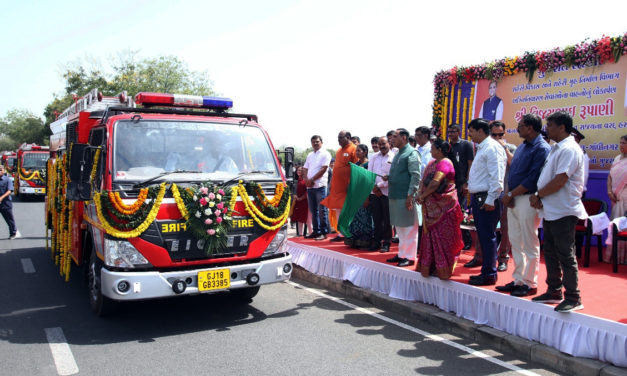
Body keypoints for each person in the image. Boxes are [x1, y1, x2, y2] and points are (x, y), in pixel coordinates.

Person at [529, 111, 587, 313]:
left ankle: (573, 296)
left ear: (562, 127)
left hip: (564, 209)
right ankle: (554, 290)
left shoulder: (570, 148)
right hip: (552, 209)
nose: (547, 129)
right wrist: (541, 197)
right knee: (551, 252)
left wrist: (538, 195)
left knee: (565, 253)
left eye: (550, 125)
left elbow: (560, 180)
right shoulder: (557, 148)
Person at [496, 114, 551, 297]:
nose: (517, 128)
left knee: (529, 242)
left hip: (528, 199)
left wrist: (511, 193)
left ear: (530, 128)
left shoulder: (542, 148)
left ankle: (530, 282)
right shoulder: (521, 147)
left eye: (520, 125)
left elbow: (533, 178)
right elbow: (515, 173)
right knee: (515, 241)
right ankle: (519, 278)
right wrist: (509, 194)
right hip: (513, 199)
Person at [416, 138, 464, 279]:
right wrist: (420, 193)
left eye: (433, 148)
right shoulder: (432, 163)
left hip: (445, 207)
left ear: (440, 150)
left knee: (444, 237)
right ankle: (430, 266)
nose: (430, 150)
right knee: (430, 237)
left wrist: (423, 196)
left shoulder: (445, 163)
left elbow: (435, 183)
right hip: (431, 207)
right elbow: (424, 181)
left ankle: (443, 268)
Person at [467, 118, 506, 286]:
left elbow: (497, 177)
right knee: (483, 236)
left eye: (472, 131)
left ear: (480, 131)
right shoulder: (483, 147)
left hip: (487, 198)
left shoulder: (491, 147)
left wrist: (491, 199)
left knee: (488, 236)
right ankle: (486, 271)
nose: (470, 135)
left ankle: (489, 273)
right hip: (480, 196)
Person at [386, 128, 421, 267]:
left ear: (404, 137)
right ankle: (402, 254)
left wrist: (410, 195)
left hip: (406, 196)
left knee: (409, 228)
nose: (391, 139)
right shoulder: (397, 153)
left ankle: (410, 257)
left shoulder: (412, 153)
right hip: (395, 195)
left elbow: (415, 175)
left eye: (395, 136)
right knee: (399, 227)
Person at [321, 130, 358, 242]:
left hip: (347, 186)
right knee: (338, 209)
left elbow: (356, 168)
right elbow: (336, 169)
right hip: (337, 186)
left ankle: (348, 232)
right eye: (338, 138)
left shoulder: (354, 149)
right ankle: (341, 233)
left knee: (347, 210)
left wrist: (351, 183)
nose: (338, 140)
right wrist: (332, 183)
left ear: (348, 137)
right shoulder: (338, 151)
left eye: (340, 138)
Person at [448, 124, 474, 251]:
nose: (450, 134)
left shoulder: (466, 145)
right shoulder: (447, 147)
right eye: (449, 132)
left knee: (461, 212)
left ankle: (466, 240)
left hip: (461, 184)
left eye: (453, 131)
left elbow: (470, 165)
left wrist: (467, 183)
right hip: (448, 185)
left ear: (458, 132)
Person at [303, 135, 332, 240]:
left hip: (320, 185)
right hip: (310, 187)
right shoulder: (310, 155)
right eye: (313, 142)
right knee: (313, 209)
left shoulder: (326, 154)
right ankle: (316, 231)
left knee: (322, 209)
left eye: (317, 142)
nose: (315, 143)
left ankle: (323, 232)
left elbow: (324, 169)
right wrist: (306, 179)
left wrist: (312, 180)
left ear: (321, 142)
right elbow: (305, 168)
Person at [368, 136, 394, 252]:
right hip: (374, 192)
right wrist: (374, 187)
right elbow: (369, 174)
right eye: (380, 144)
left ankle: (387, 242)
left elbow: (393, 177)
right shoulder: (373, 157)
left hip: (387, 192)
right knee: (377, 218)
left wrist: (379, 186)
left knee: (387, 219)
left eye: (384, 144)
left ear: (389, 143)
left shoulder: (394, 157)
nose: (382, 146)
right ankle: (377, 241)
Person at [347, 144, 374, 248]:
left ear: (365, 152)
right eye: (356, 151)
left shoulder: (369, 164)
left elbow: (369, 181)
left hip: (365, 194)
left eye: (359, 151)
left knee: (366, 217)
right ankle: (355, 240)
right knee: (356, 218)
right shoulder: (356, 164)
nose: (357, 153)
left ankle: (366, 240)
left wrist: (366, 197)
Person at [607, 135, 627, 263]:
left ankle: (624, 257)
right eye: (620, 143)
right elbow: (610, 176)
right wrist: (609, 191)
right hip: (615, 198)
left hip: (625, 197)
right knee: (615, 224)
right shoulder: (617, 158)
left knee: (624, 226)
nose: (621, 145)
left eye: (624, 143)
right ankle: (614, 256)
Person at [290, 166, 312, 237]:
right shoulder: (298, 180)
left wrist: (301, 198)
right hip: (298, 202)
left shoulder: (306, 179)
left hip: (305, 202)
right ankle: (300, 234)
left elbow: (307, 192)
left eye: (300, 170)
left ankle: (311, 233)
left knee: (308, 219)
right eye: (298, 170)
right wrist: (295, 196)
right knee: (299, 218)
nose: (299, 171)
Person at [0, 165, 18, 239]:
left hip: (5, 203)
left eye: (0, 170)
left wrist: (1, 198)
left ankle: (13, 232)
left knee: (9, 219)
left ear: (4, 171)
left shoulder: (7, 180)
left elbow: (9, 191)